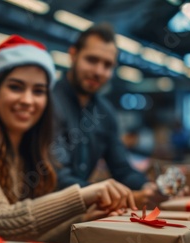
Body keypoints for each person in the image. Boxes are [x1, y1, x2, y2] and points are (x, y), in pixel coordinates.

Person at [0, 35, 136, 243]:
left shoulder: (32, 150)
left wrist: (83, 221)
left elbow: (21, 238)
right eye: (16, 87)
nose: (27, 100)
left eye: (38, 91)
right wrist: (84, 195)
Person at [51, 23, 166, 208]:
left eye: (107, 65)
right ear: (73, 55)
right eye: (91, 60)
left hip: (82, 213)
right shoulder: (48, 103)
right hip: (46, 213)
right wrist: (104, 195)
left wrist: (149, 188)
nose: (98, 71)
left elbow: (122, 168)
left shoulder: (105, 112)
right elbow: (56, 177)